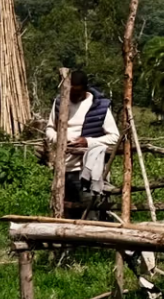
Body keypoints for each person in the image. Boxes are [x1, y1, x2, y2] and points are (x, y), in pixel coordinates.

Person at [45, 68, 122, 216]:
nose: (74, 96)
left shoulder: (99, 106)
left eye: (78, 93)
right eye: (71, 93)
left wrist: (87, 142)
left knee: (90, 212)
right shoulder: (59, 103)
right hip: (64, 168)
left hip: (89, 169)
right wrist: (60, 139)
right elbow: (49, 129)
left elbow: (114, 137)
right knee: (66, 211)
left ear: (85, 89)